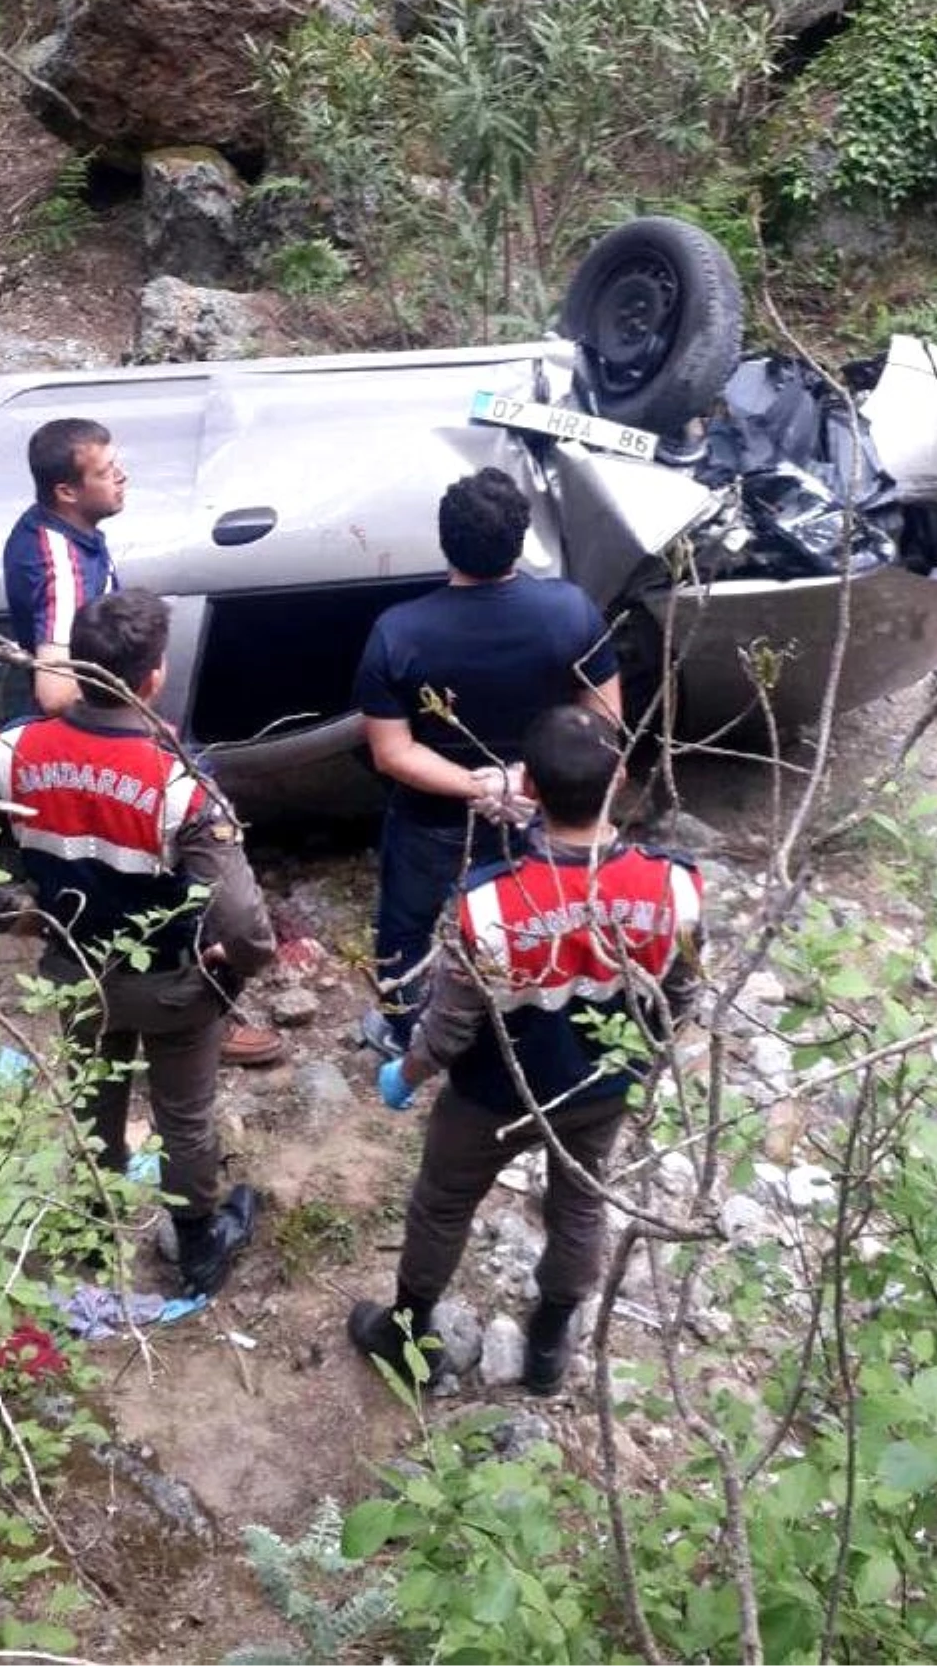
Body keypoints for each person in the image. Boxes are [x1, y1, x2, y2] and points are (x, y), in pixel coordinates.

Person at [347, 704, 703, 1395]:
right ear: (621, 778)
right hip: (601, 1086)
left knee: (444, 1203)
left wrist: (407, 1072)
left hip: (492, 1095)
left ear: (529, 787)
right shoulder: (674, 885)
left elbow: (450, 1029)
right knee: (579, 1203)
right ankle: (548, 1345)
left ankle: (408, 1329)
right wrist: (644, 1065)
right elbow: (680, 995)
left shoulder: (490, 905)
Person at [0, 588, 276, 1298]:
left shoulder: (10, 750)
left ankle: (88, 1224)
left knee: (92, 1097)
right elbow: (246, 924)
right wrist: (237, 967)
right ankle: (200, 1245)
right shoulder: (181, 786)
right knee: (184, 1115)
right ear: (154, 677)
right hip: (172, 985)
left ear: (78, 668)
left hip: (73, 970)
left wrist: (17, 918)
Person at [353, 465, 622, 1055]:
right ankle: (529, 1023)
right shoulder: (570, 612)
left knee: (407, 924)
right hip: (539, 806)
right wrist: (522, 781)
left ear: (445, 540)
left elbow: (392, 752)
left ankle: (404, 1034)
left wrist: (482, 788)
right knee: (537, 912)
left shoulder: (398, 632)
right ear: (520, 542)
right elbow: (604, 726)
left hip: (434, 815)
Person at [3, 418, 125, 715]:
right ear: (67, 493)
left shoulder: (56, 523)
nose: (122, 476)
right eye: (106, 472)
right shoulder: (62, 567)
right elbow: (56, 695)